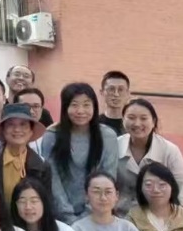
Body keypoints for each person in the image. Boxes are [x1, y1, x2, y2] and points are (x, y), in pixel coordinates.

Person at [35, 83, 120, 221]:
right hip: (59, 215)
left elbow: (108, 176)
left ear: (94, 107)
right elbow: (53, 179)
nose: (80, 111)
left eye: (86, 105)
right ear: (65, 108)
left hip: (97, 213)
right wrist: (68, 216)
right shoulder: (52, 135)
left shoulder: (107, 136)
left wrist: (88, 215)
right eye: (74, 105)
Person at [116, 98, 183, 212]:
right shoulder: (115, 146)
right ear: (123, 120)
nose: (137, 123)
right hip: (120, 214)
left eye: (143, 118)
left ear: (153, 121)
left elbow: (180, 188)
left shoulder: (169, 150)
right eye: (131, 118)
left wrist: (176, 216)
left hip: (157, 216)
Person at [100, 71, 131, 136]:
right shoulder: (95, 124)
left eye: (121, 89)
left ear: (128, 93)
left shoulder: (133, 124)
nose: (116, 94)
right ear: (102, 92)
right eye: (111, 89)